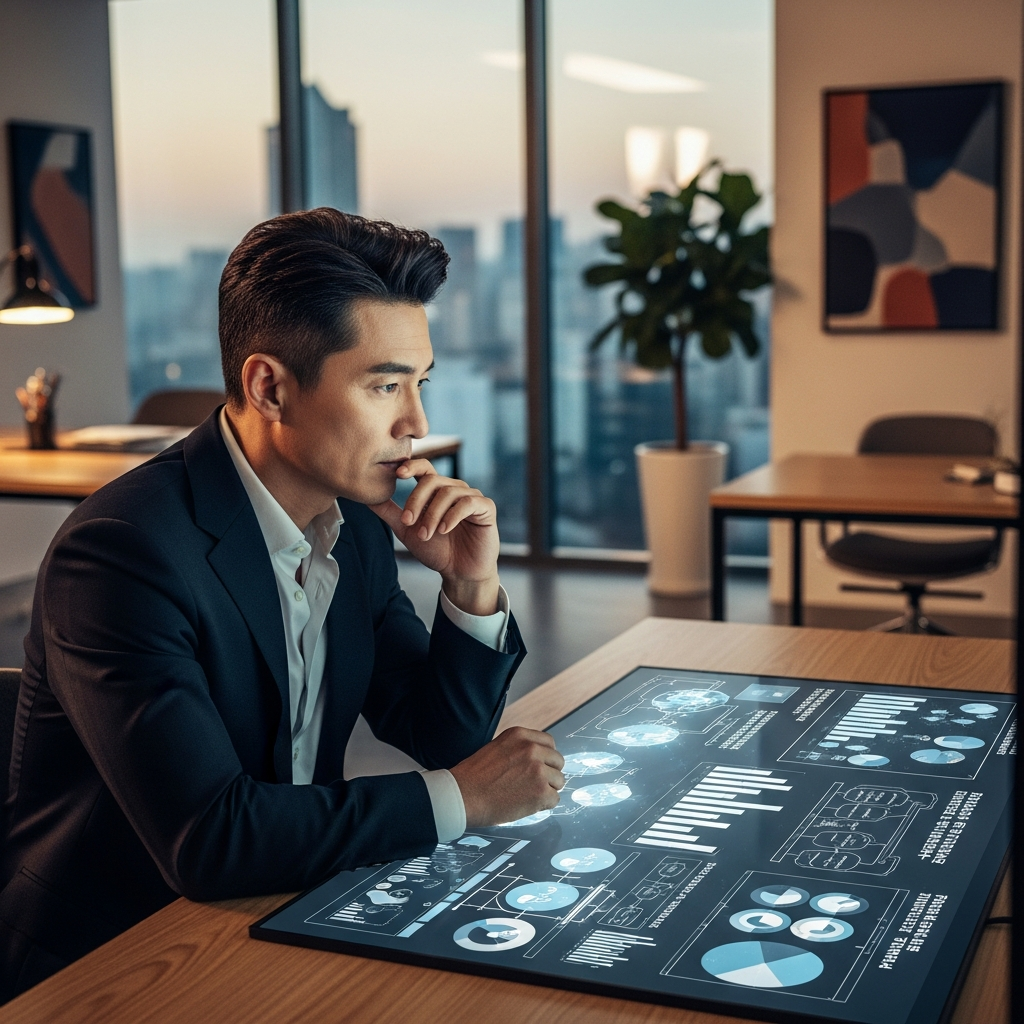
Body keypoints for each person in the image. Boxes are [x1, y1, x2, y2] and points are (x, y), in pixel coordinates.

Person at [0, 209, 565, 998]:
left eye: (419, 383)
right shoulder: (122, 554)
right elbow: (210, 839)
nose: (418, 425)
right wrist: (463, 800)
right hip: (112, 964)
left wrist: (469, 586)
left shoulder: (356, 528)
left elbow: (439, 734)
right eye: (384, 385)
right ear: (269, 385)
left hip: (283, 902)